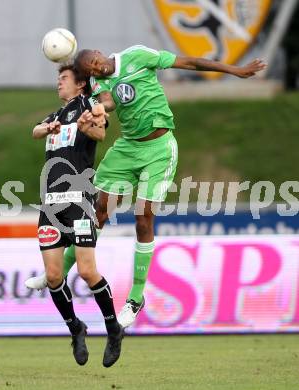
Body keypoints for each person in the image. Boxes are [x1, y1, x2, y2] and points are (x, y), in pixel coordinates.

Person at [26, 46, 267, 328]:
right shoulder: (99, 85)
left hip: (159, 147)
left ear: (101, 53)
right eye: (91, 70)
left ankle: (135, 297)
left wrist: (234, 70)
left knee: (144, 217)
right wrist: (102, 106)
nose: (97, 68)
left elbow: (189, 62)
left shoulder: (138, 56)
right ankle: (56, 274)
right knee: (98, 213)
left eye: (95, 61)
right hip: (128, 148)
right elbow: (107, 100)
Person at [33, 64, 123, 368]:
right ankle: (76, 328)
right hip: (51, 205)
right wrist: (46, 128)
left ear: (81, 84)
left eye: (64, 79)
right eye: (58, 79)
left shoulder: (90, 107)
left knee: (86, 271)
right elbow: (34, 131)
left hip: (80, 202)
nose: (58, 83)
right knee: (54, 276)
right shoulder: (55, 116)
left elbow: (100, 133)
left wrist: (88, 126)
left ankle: (113, 328)